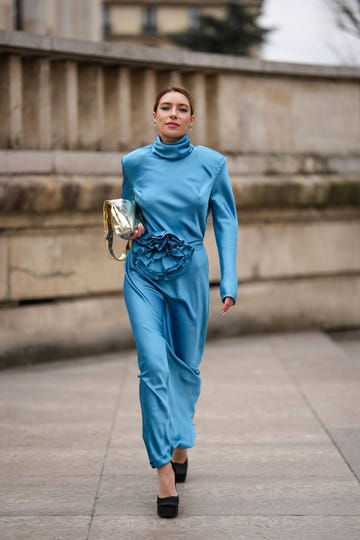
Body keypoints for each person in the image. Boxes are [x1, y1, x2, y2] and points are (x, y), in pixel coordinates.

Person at [120, 86, 238, 518]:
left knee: (186, 368)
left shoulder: (212, 163)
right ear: (154, 116)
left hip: (189, 276)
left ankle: (180, 440)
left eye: (182, 109)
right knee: (153, 365)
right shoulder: (134, 162)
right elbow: (125, 211)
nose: (173, 113)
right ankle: (164, 471)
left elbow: (225, 221)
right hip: (142, 274)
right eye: (165, 107)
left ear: (192, 119)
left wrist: (230, 278)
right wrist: (128, 228)